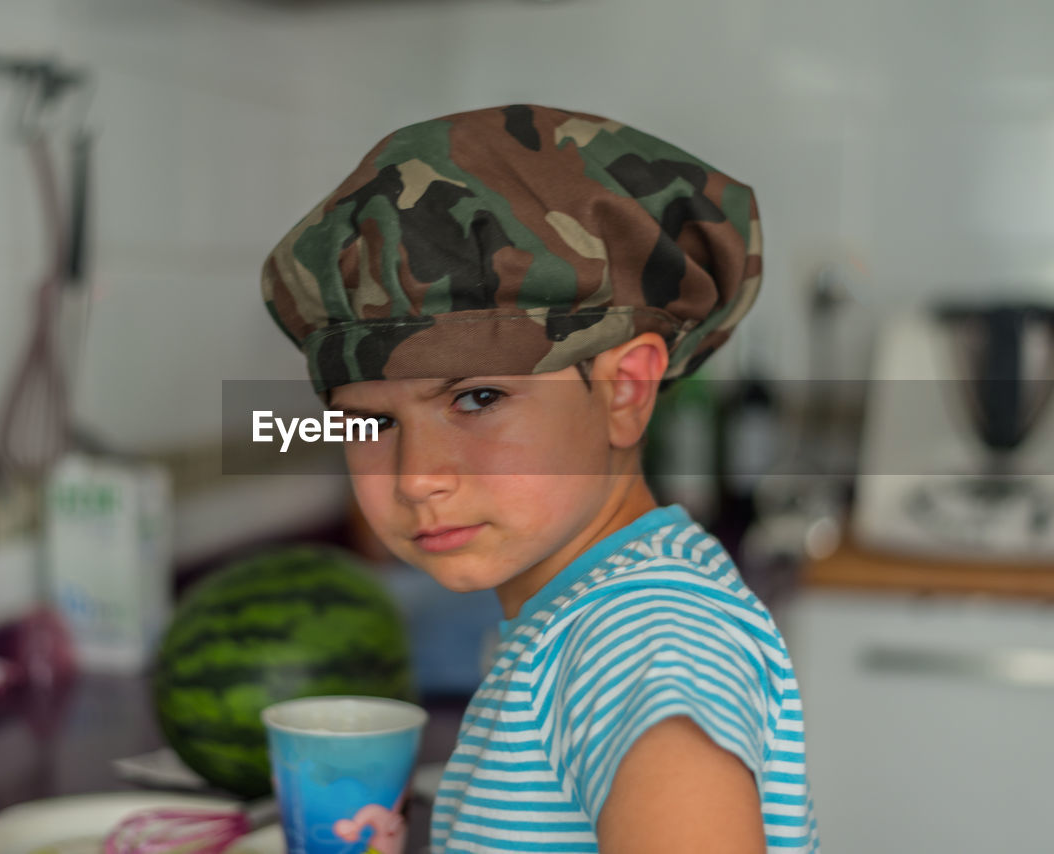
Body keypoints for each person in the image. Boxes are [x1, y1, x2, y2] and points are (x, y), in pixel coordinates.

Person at [260, 104, 819, 853]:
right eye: (374, 423)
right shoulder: (576, 613)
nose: (418, 478)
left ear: (624, 390)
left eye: (477, 399)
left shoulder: (641, 642)